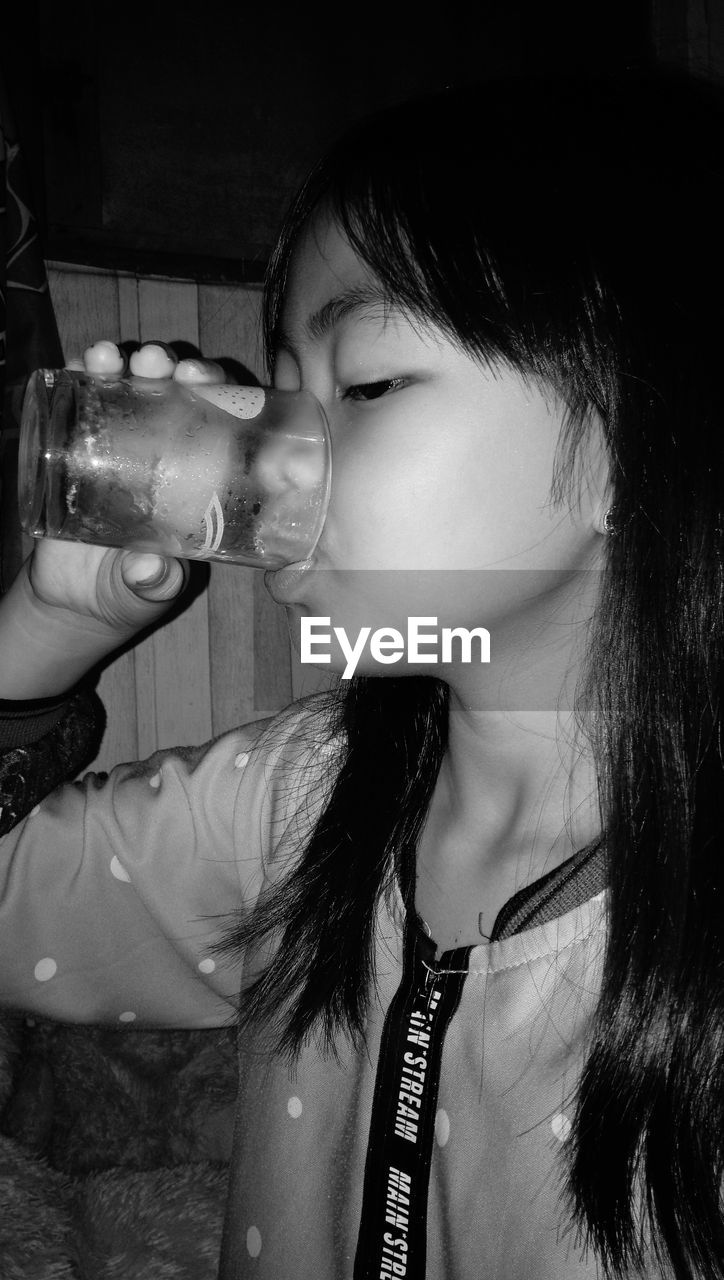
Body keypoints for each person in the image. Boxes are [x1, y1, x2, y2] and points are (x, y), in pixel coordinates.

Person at [1, 68, 723, 1279]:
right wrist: (46, 629)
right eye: (282, 386)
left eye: (368, 383)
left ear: (630, 441)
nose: (277, 450)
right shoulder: (300, 801)